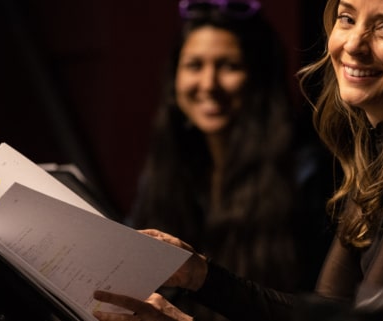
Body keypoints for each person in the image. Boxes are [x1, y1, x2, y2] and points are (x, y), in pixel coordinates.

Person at [94, 0, 383, 319]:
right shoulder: (379, 147)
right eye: (346, 18)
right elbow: (329, 307)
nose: (354, 45)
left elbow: (367, 318)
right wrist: (197, 275)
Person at [124, 0, 337, 320]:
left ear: (259, 78)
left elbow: (319, 307)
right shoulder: (169, 167)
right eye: (195, 65)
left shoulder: (307, 172)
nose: (208, 84)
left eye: (229, 66)